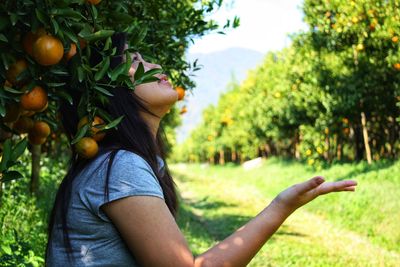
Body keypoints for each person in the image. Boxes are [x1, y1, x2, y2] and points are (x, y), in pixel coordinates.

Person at [45, 33, 358, 266]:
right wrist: (281, 206)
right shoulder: (119, 168)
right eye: (137, 63)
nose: (154, 66)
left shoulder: (126, 163)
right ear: (110, 91)